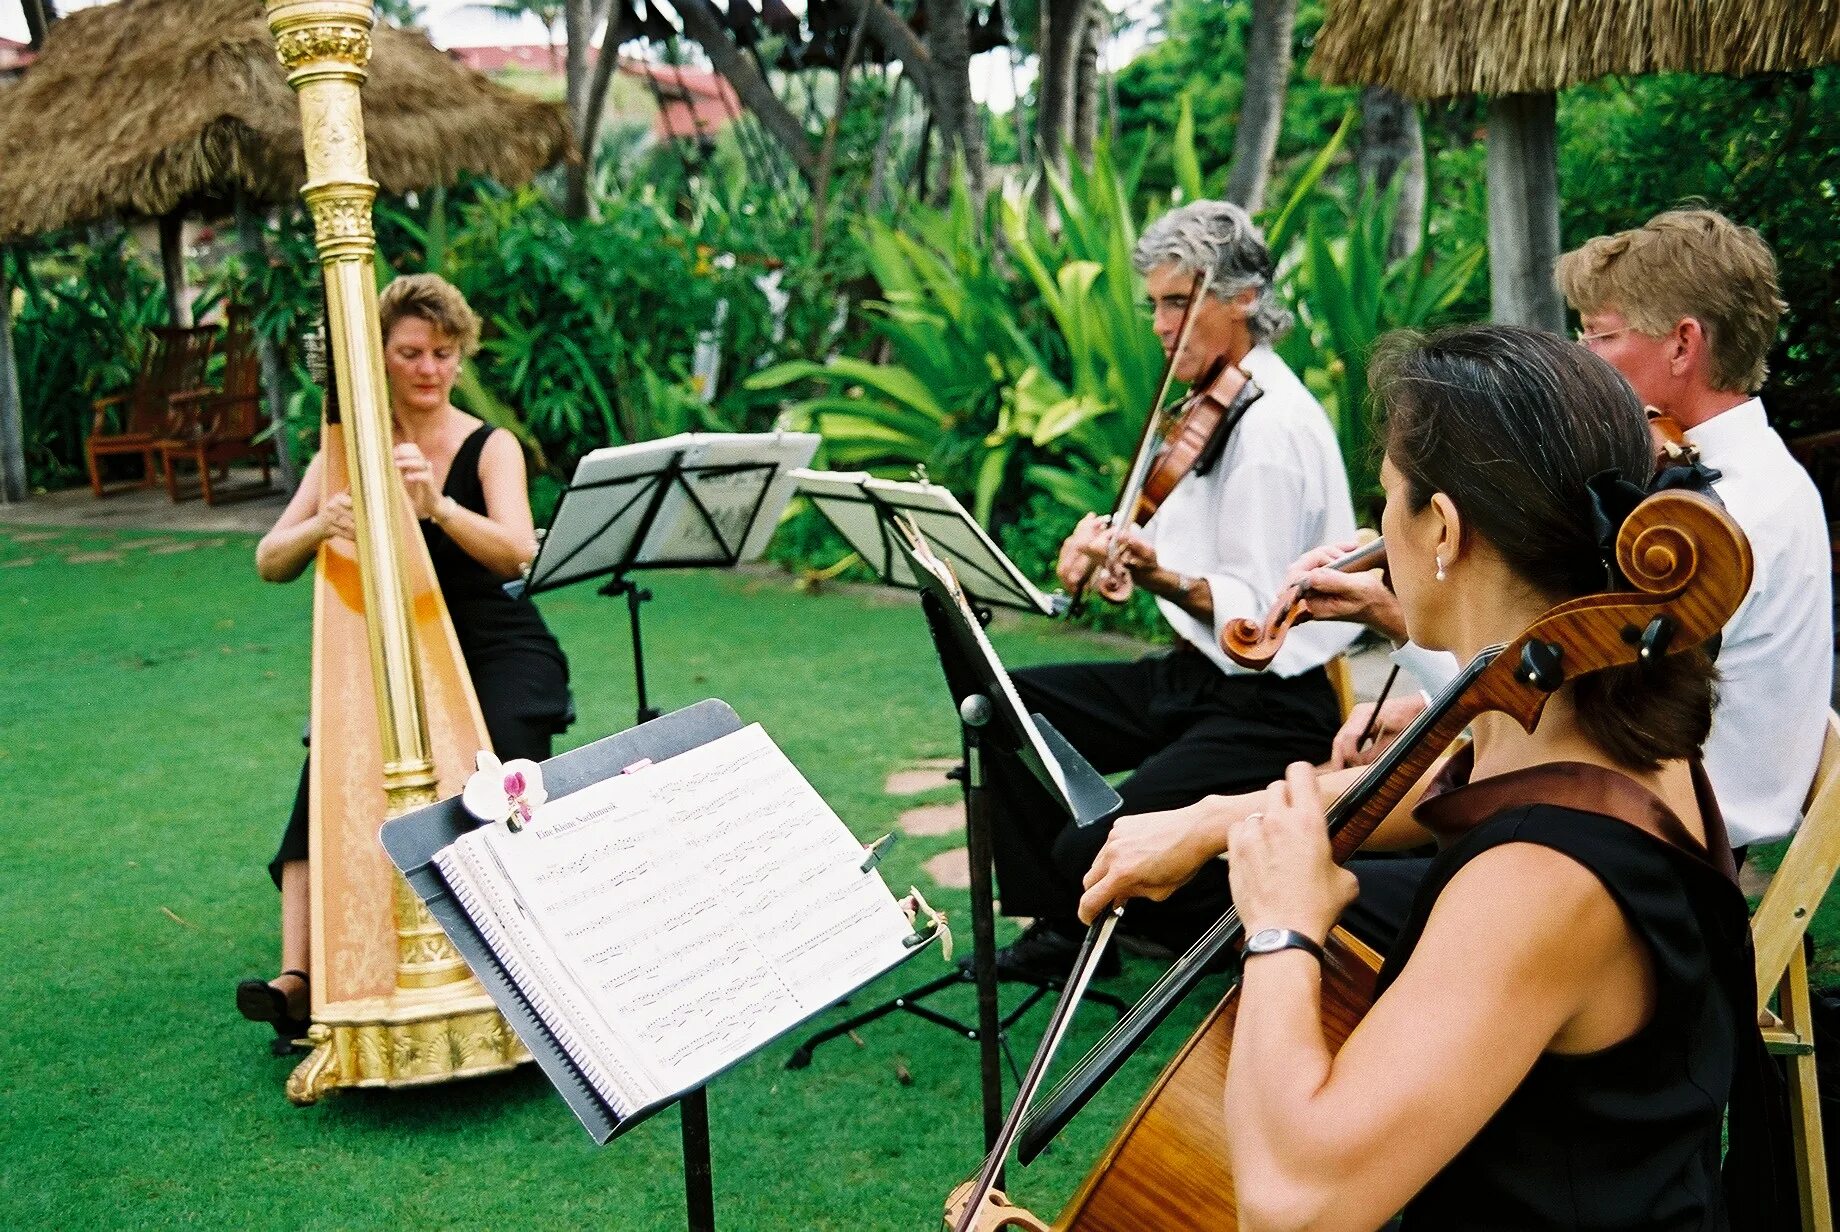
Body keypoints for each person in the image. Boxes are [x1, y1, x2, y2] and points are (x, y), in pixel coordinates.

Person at [1112, 325, 1777, 1229]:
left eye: (1387, 498)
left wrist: (1281, 928)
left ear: (1444, 529)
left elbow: (1294, 1203)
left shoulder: (1541, 884)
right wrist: (1219, 816)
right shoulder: (1600, 712)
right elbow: (1459, 791)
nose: (1373, 527)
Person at [1081, 208, 1833, 953]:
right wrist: (1420, 695)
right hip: (1623, 815)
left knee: (1305, 898)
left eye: (1600, 335)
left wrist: (1399, 620)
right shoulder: (1723, 489)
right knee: (1353, 839)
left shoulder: (1716, 522)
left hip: (1654, 861)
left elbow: (1550, 721)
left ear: (1683, 344)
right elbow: (1572, 686)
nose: (1582, 358)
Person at [985, 200, 1360, 981]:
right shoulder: (1215, 404)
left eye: (1177, 302)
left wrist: (1158, 574)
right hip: (1194, 677)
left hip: (1271, 703)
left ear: (1244, 298)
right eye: (1153, 303)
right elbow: (1175, 554)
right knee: (1008, 706)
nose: (1160, 323)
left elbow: (1256, 619)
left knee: (1088, 846)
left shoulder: (1270, 429)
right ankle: (1063, 922)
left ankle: (1196, 916)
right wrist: (1108, 557)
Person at [237, 274, 572, 1039]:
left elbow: (516, 553)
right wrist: (322, 522)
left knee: (506, 731)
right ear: (378, 357)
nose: (428, 369)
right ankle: (297, 977)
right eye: (410, 352)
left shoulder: (491, 446)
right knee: (331, 754)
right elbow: (268, 559)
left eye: (444, 354)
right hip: (393, 643)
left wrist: (440, 508)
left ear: (461, 357)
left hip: (495, 637)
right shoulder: (348, 445)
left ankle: (521, 952)